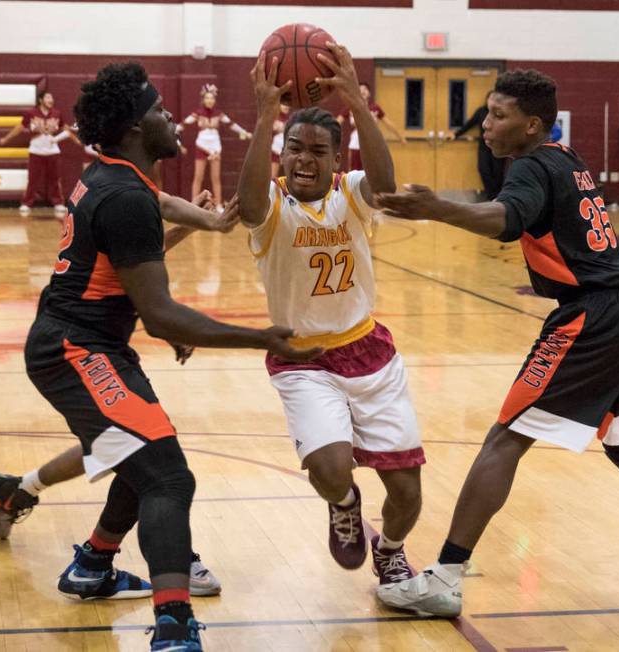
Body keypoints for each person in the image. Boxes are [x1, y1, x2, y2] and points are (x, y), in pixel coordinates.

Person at [374, 69, 619, 617]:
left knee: (505, 439)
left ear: (530, 125)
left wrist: (438, 208)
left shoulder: (530, 165)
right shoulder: (566, 157)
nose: (486, 126)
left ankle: (445, 576)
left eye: (497, 116)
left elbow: (506, 218)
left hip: (592, 316)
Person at [27, 61, 317, 651]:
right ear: (136, 127)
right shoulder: (123, 195)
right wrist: (260, 336)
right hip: (75, 350)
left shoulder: (113, 176)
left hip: (90, 343)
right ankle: (174, 623)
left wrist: (208, 222)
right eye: (158, 110)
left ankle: (93, 566)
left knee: (141, 456)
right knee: (169, 477)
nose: (168, 116)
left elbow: (153, 219)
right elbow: (157, 307)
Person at [237, 44, 425, 589]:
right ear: (282, 153)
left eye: (318, 151)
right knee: (330, 468)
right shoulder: (271, 204)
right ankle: (344, 503)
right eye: (294, 148)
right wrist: (265, 116)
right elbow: (247, 207)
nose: (303, 160)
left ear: (337, 161)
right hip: (303, 358)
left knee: (408, 493)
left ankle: (390, 549)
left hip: (369, 350)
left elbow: (386, 185)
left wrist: (358, 104)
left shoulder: (351, 194)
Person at [0, 188, 238, 598]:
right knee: (151, 452)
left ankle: (21, 492)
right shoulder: (118, 187)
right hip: (76, 346)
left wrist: (188, 229)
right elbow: (129, 267)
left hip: (93, 343)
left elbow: (133, 264)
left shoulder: (110, 184)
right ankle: (155, 556)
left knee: (123, 444)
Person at [0, 91, 80, 217]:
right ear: (41, 100)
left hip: (52, 151)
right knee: (32, 179)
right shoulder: (31, 114)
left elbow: (66, 130)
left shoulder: (57, 114)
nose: (51, 99)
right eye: (48, 97)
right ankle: (27, 203)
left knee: (55, 179)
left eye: (52, 97)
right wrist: (6, 138)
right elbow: (20, 127)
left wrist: (77, 141)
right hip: (36, 150)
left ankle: (58, 203)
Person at [178, 84, 251, 210]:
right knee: (198, 177)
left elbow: (231, 124)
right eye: (207, 98)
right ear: (203, 99)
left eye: (212, 98)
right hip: (201, 146)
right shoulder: (198, 113)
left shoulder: (219, 114)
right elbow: (183, 124)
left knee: (216, 177)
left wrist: (244, 132)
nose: (209, 100)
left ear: (215, 100)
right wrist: (172, 129)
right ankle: (193, 204)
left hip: (215, 148)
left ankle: (218, 204)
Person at [447, 90, 508, 200]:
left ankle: (499, 197)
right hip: (484, 146)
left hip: (499, 145)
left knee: (498, 172)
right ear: (487, 100)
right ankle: (492, 196)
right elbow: (469, 124)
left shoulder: (502, 113)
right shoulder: (481, 112)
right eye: (490, 99)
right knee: (483, 169)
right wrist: (456, 134)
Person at [337, 82, 405, 171]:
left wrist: (400, 137)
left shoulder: (375, 108)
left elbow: (389, 124)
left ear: (369, 93)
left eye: (365, 89)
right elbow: (337, 121)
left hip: (372, 143)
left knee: (372, 171)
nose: (362, 91)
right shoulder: (351, 107)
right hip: (357, 144)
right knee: (354, 172)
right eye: (360, 89)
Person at [271, 103, 291, 178]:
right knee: (273, 178)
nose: (286, 106)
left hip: (286, 152)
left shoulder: (289, 119)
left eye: (288, 105)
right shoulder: (274, 117)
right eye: (284, 104)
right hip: (275, 151)